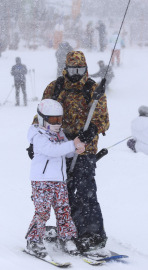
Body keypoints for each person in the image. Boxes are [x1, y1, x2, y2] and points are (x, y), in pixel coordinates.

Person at [27, 51, 109, 252]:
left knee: (85, 191)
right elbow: (42, 114)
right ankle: (69, 231)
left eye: (79, 70)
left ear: (85, 68)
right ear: (65, 68)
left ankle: (91, 233)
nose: (75, 74)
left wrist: (91, 131)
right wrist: (34, 142)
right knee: (62, 194)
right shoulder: (55, 88)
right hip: (58, 148)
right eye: (72, 69)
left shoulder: (93, 89)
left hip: (84, 150)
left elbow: (103, 119)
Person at [25, 99, 85, 258]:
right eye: (53, 120)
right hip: (42, 181)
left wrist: (77, 148)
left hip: (59, 181)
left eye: (59, 119)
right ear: (42, 118)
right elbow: (51, 150)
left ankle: (67, 238)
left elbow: (65, 152)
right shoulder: (38, 134)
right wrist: (72, 145)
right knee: (42, 212)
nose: (57, 123)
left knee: (64, 210)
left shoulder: (60, 134)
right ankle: (33, 240)